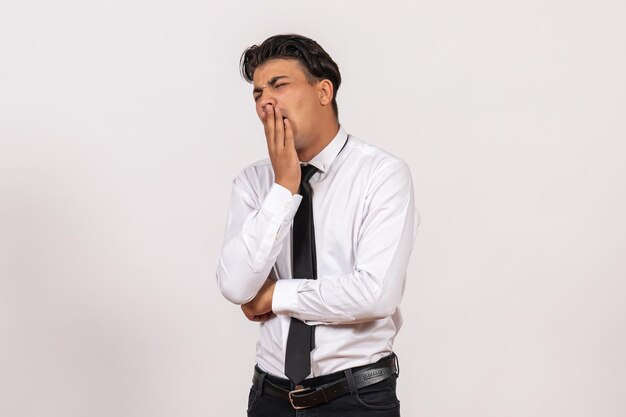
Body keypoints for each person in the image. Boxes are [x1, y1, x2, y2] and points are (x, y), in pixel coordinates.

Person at [216, 33, 418, 416]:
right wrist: (284, 187)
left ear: (324, 91)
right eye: (258, 94)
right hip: (269, 397)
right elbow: (235, 286)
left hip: (356, 398)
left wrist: (277, 296)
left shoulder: (382, 175)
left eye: (279, 85)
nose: (266, 103)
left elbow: (376, 294)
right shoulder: (253, 183)